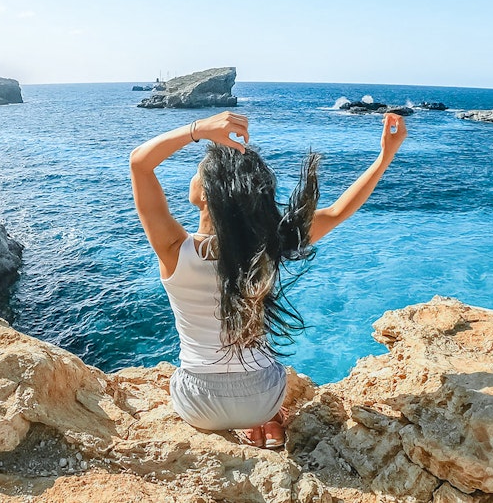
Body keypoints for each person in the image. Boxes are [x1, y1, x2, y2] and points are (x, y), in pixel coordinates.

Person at [130, 110, 406, 448]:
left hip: (199, 405)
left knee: (181, 374)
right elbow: (338, 211)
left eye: (196, 174)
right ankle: (269, 420)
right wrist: (385, 156)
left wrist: (198, 129)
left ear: (205, 193)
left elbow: (140, 163)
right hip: (263, 396)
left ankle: (253, 420)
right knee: (268, 369)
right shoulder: (271, 245)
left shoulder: (174, 249)